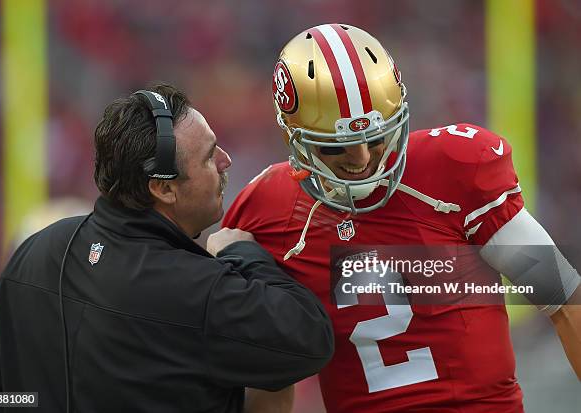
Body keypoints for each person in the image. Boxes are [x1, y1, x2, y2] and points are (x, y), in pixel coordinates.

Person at [223, 24, 581, 412]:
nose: (361, 160)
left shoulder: (454, 168)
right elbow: (272, 369)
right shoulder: (266, 207)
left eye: (375, 138)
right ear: (293, 135)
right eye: (335, 147)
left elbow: (563, 297)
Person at [0, 83, 334, 413]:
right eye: (209, 157)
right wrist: (244, 256)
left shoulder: (33, 251)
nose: (226, 160)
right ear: (163, 189)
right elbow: (310, 340)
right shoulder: (199, 288)